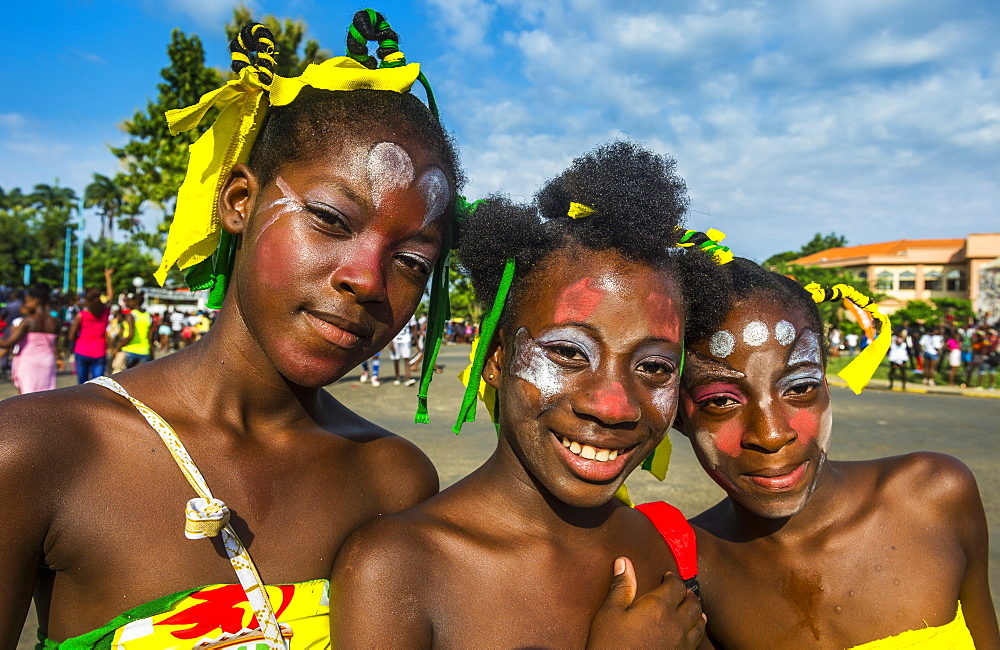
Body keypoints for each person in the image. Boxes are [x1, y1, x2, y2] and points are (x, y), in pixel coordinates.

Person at [0, 14, 461, 648]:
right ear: (239, 200)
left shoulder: (392, 479)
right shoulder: (40, 448)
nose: (368, 280)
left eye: (412, 261)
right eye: (330, 219)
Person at [331, 142, 720, 648]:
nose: (614, 405)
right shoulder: (398, 567)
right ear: (495, 358)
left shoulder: (649, 546)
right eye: (569, 353)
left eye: (653, 366)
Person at [672, 258, 999, 648]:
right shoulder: (686, 567)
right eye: (721, 401)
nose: (772, 434)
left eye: (799, 387)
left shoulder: (933, 494)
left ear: (826, 385)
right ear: (677, 415)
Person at [0, 284, 59, 394]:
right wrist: (59, 358)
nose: (26, 305)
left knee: (27, 399)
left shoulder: (28, 321)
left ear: (35, 301)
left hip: (28, 364)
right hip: (47, 362)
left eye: (28, 301)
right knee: (46, 397)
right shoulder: (55, 321)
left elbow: (8, 343)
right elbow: (55, 344)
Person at [67, 269, 115, 383]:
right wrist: (108, 277)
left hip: (81, 350)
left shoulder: (81, 315)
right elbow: (111, 297)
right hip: (99, 351)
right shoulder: (105, 312)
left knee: (82, 386)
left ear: (87, 301)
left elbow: (71, 336)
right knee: (98, 386)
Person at [113, 291, 156, 369]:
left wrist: (117, 348)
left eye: (130, 300)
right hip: (145, 352)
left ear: (135, 301)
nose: (128, 303)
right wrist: (152, 356)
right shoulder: (149, 316)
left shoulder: (131, 315)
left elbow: (130, 335)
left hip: (130, 351)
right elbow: (150, 338)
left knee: (126, 379)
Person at [389, 317, 416, 385]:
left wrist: (417, 341)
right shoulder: (394, 312)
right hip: (395, 339)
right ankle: (397, 377)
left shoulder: (411, 313)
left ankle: (408, 378)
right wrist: (390, 343)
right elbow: (389, 328)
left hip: (406, 339)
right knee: (396, 359)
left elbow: (412, 328)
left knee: (406, 358)